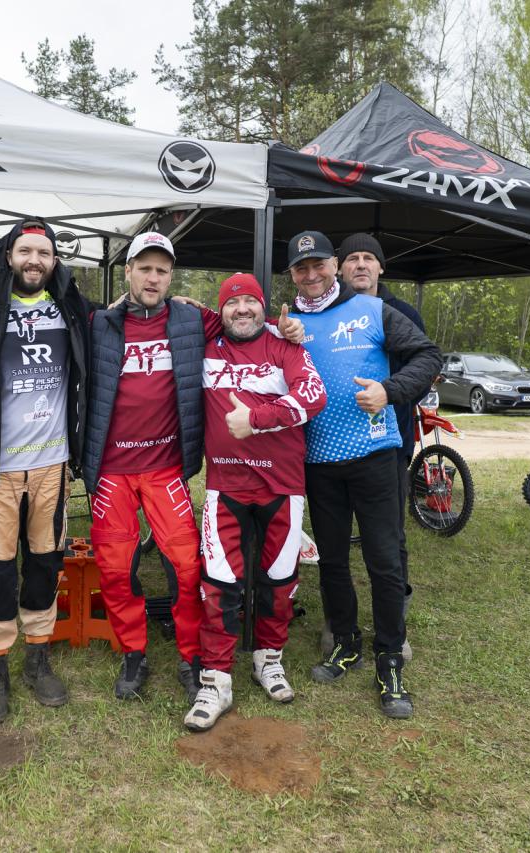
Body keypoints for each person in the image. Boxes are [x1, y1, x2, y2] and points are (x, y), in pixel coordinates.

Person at [286, 230, 441, 719]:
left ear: (333, 266)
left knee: (384, 561)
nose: (312, 274)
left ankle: (390, 656)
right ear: (292, 275)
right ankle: (346, 641)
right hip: (318, 463)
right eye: (301, 268)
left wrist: (390, 390)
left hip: (375, 456)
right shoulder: (287, 324)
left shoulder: (373, 310)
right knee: (332, 560)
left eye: (319, 265)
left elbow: (429, 356)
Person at [0, 218, 90, 725]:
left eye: (44, 253)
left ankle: (38, 658)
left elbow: (118, 321)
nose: (35, 261)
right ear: (8, 255)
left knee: (45, 564)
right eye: (25, 251)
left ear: (55, 261)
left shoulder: (72, 306)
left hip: (52, 465)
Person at [184, 274, 327, 732]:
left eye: (250, 301)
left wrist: (257, 420)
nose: (241, 309)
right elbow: (170, 308)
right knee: (218, 584)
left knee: (280, 582)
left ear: (263, 307)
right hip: (224, 485)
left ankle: (269, 660)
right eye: (232, 302)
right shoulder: (207, 342)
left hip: (282, 485)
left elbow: (314, 396)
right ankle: (216, 680)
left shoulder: (284, 345)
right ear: (220, 309)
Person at [83, 233, 208, 701]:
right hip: (113, 470)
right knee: (115, 569)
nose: (153, 278)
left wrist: (289, 330)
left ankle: (191, 655)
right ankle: (133, 652)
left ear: (171, 277)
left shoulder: (192, 320)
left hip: (164, 468)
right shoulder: (100, 324)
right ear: (129, 271)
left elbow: (246, 322)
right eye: (145, 268)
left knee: (187, 566)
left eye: (162, 270)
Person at [337, 232, 427, 662]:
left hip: (389, 445)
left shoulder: (401, 313)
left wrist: (389, 392)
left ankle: (395, 625)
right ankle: (339, 623)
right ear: (339, 269)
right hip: (334, 449)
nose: (360, 264)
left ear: (380, 267)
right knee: (336, 541)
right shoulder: (327, 313)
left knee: (389, 539)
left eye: (368, 258)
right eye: (352, 258)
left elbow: (423, 367)